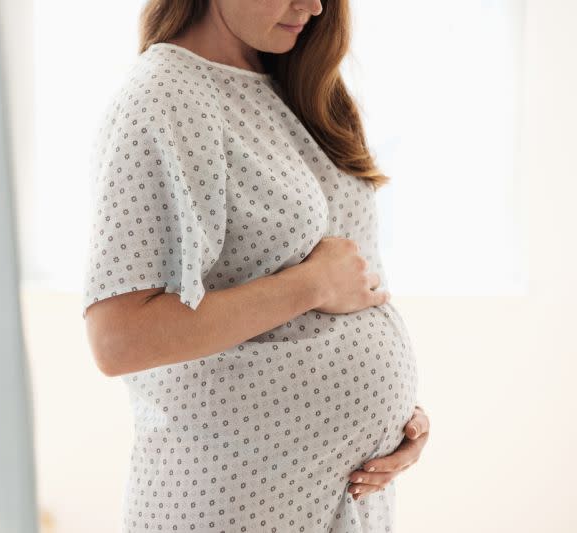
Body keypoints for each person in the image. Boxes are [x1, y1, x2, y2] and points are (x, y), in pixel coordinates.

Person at [82, 0, 431, 530]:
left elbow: (358, 284)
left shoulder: (306, 90)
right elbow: (118, 339)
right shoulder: (164, 97)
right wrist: (310, 285)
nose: (313, 7)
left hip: (346, 500)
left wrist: (401, 422)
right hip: (236, 501)